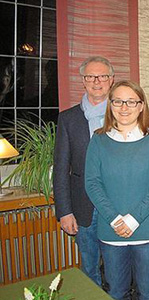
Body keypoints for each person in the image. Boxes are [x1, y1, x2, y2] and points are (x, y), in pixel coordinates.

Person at [85, 80, 149, 300]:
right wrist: (114, 219)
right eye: (118, 101)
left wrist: (134, 219)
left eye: (131, 101)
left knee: (148, 293)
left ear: (141, 105)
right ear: (110, 105)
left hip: (148, 230)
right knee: (116, 292)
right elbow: (92, 183)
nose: (124, 107)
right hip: (111, 232)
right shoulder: (99, 140)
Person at [53, 56, 114, 286]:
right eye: (90, 76)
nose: (96, 81)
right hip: (83, 207)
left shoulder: (124, 114)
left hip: (117, 206)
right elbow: (61, 168)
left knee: (118, 269)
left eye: (102, 76)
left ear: (111, 80)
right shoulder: (68, 119)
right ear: (83, 81)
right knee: (90, 268)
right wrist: (64, 211)